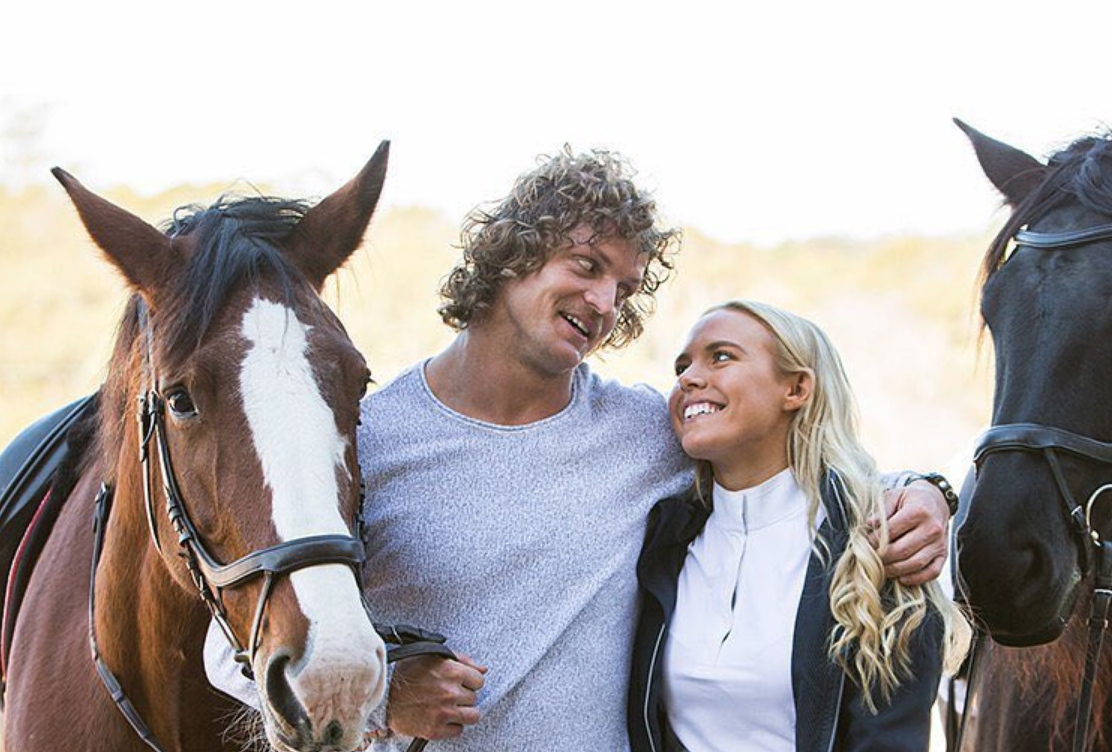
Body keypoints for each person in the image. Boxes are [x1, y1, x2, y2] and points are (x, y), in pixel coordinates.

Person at [206, 148, 952, 751]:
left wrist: (924, 492)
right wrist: (383, 698)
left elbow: (791, 461)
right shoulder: (367, 439)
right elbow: (224, 648)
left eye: (624, 289)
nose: (604, 304)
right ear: (511, 256)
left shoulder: (646, 433)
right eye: (587, 267)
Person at [629, 301, 970, 752]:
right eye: (682, 366)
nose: (688, 378)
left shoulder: (879, 548)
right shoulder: (662, 540)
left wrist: (933, 490)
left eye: (721, 356)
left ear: (796, 389)